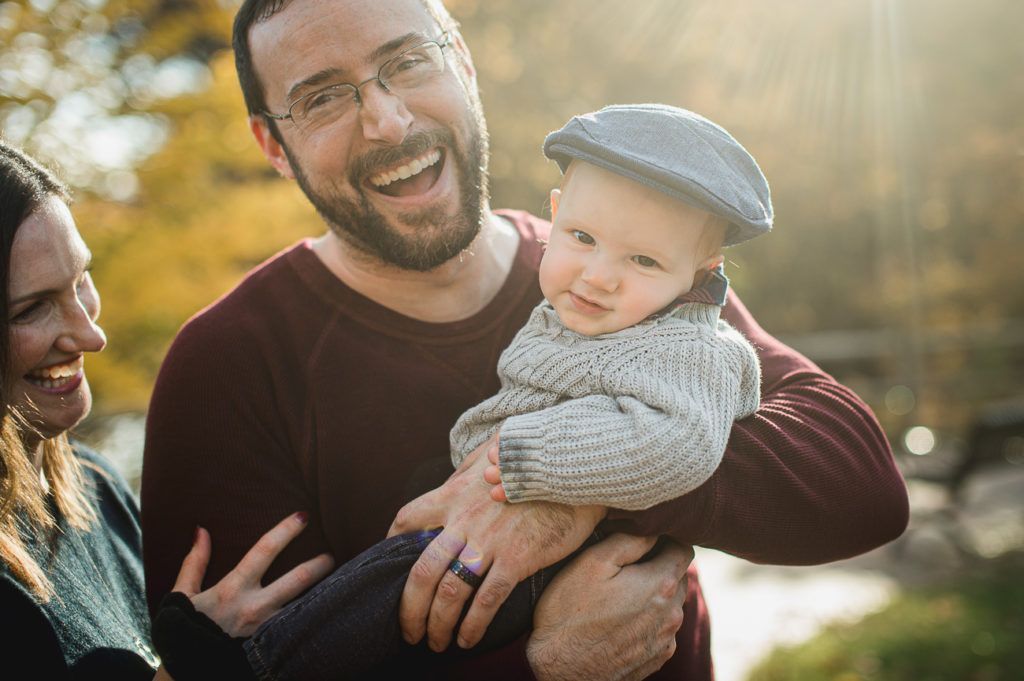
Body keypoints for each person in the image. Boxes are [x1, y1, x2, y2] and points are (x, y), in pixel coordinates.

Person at [141, 0, 910, 678]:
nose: (388, 120)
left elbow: (860, 484)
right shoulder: (226, 367)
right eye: (322, 98)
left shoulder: (631, 276)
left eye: (407, 62)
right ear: (274, 145)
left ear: (464, 64)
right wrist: (540, 665)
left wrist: (578, 492)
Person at [0, 140, 337, 679]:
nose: (92, 334)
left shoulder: (98, 486)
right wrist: (194, 664)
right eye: (32, 308)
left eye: (81, 280)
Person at [452, 104, 765, 513]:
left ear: (699, 274)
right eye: (582, 236)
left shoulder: (688, 350)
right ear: (556, 213)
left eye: (643, 261)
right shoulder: (579, 313)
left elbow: (678, 444)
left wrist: (522, 454)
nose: (598, 276)